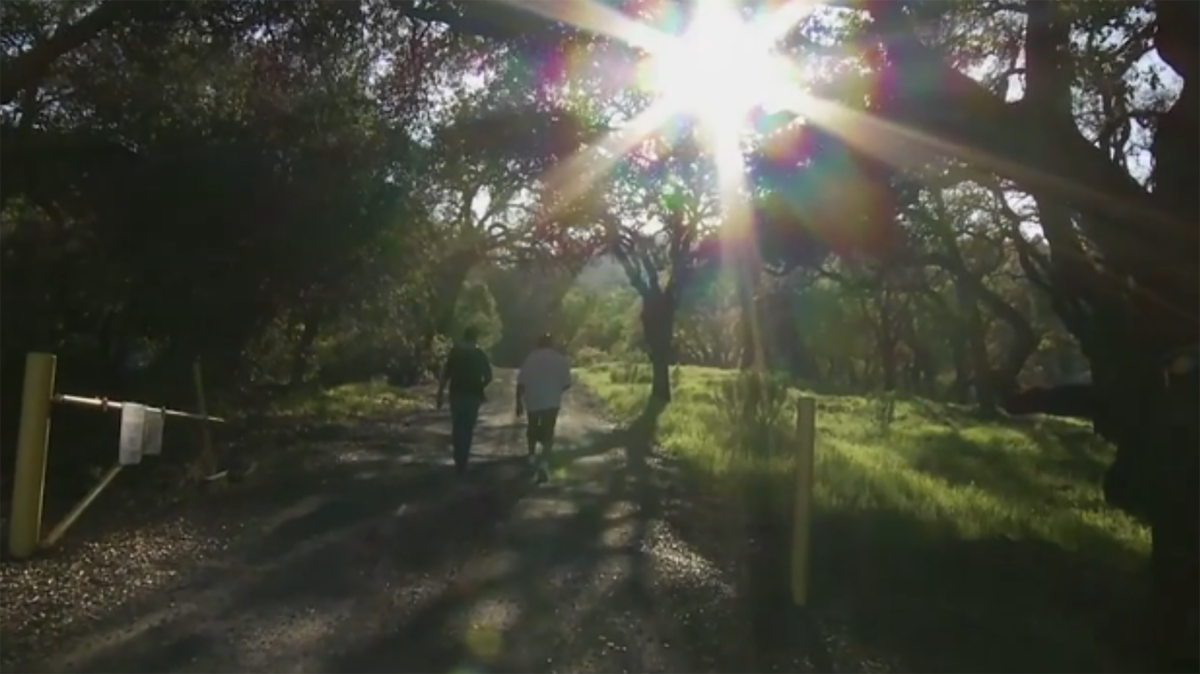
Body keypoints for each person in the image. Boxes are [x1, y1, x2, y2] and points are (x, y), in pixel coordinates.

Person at [516, 333, 572, 484]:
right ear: (552, 344)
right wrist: (555, 390)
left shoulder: (530, 358)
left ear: (538, 343)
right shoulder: (559, 359)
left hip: (533, 400)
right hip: (551, 401)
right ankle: (543, 463)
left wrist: (518, 402)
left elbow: (521, 382)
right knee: (548, 432)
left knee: (532, 428)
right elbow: (567, 383)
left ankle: (531, 456)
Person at [436, 327, 493, 477]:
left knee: (457, 425)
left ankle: (457, 456)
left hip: (456, 393)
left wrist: (440, 393)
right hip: (473, 395)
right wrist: (480, 386)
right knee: (468, 427)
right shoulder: (479, 354)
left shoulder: (455, 352)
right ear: (476, 338)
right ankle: (464, 459)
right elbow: (489, 376)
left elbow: (445, 374)